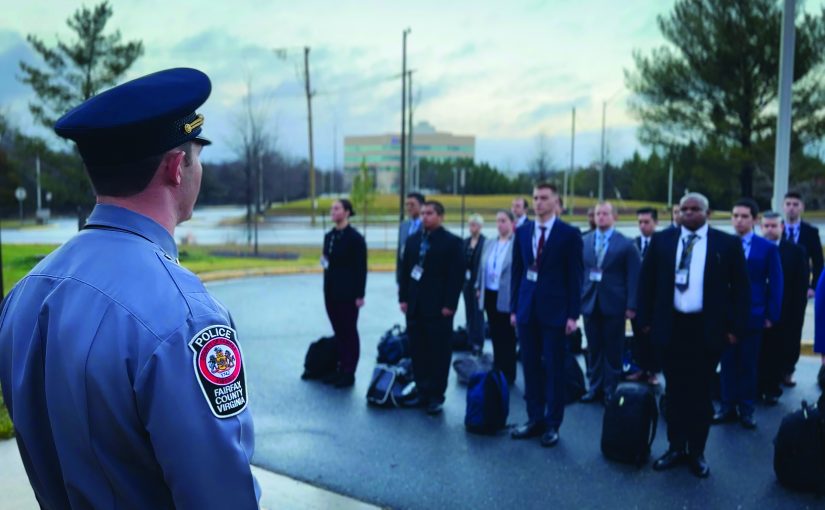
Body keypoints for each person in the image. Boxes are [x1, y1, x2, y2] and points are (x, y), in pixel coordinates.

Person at [0, 68, 260, 507]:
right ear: (178, 168)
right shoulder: (187, 317)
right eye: (197, 155)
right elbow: (221, 497)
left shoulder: (26, 292)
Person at [638, 192, 749, 478]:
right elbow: (646, 283)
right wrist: (645, 322)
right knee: (674, 391)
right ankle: (675, 447)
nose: (688, 213)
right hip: (671, 327)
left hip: (706, 330)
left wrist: (736, 330)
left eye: (694, 209)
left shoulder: (727, 244)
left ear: (707, 213)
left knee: (700, 394)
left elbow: (740, 290)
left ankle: (697, 451)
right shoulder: (662, 241)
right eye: (683, 209)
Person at [510, 183, 583, 448]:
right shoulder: (523, 231)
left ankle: (553, 424)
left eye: (544, 198)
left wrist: (573, 315)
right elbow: (518, 273)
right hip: (527, 310)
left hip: (556, 313)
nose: (538, 202)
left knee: (553, 368)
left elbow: (576, 277)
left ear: (556, 202)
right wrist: (515, 308)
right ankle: (534, 418)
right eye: (535, 198)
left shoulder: (569, 234)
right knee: (529, 367)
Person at [714, 199, 782, 430]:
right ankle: (726, 406)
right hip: (726, 315)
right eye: (735, 216)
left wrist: (771, 314)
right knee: (727, 362)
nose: (738, 220)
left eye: (744, 216)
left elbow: (776, 283)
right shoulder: (722, 244)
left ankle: (747, 408)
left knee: (748, 364)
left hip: (754, 314)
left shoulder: (767, 248)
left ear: (754, 220)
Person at [398, 201, 464, 415]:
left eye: (430, 213)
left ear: (440, 216)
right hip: (415, 306)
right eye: (423, 213)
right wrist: (404, 298)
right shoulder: (413, 240)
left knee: (439, 352)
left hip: (438, 308)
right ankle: (422, 390)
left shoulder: (452, 242)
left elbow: (456, 277)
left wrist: (450, 304)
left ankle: (436, 395)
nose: (425, 217)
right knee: (418, 350)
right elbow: (405, 271)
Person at [580, 202, 641, 404]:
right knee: (594, 348)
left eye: (605, 213)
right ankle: (594, 387)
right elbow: (580, 273)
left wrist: (632, 306)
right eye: (598, 213)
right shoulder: (585, 241)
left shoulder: (626, 244)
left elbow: (634, 277)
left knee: (613, 349)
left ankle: (610, 389)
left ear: (614, 217)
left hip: (615, 304)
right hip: (590, 302)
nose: (601, 217)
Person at [757, 212, 808, 404]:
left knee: (776, 352)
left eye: (774, 226)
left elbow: (800, 285)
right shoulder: (755, 247)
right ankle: (757, 387)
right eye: (766, 226)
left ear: (782, 227)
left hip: (785, 312)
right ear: (761, 227)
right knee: (758, 352)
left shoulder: (795, 252)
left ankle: (771, 389)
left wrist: (796, 315)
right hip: (758, 310)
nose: (770, 230)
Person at [322, 199, 367, 388]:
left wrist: (359, 294)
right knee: (338, 331)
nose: (333, 211)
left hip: (348, 293)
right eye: (332, 209)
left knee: (349, 331)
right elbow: (326, 262)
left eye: (337, 208)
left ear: (347, 212)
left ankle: (350, 371)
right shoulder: (329, 236)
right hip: (331, 291)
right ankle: (340, 367)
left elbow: (361, 268)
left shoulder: (355, 238)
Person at [782, 191, 823, 384]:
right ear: (783, 206)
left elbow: (818, 261)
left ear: (801, 207)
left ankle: (789, 370)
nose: (791, 207)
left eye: (795, 204)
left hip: (799, 290)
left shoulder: (810, 232)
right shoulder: (775, 228)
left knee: (793, 330)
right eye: (788, 203)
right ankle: (771, 371)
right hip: (776, 289)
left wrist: (813, 286)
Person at [476, 210, 517, 384]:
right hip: (489, 293)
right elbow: (481, 265)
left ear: (512, 223)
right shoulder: (490, 242)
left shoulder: (517, 244)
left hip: (507, 294)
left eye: (503, 220)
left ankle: (509, 371)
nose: (500, 224)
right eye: (497, 221)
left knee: (507, 334)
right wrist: (479, 286)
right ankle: (498, 366)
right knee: (494, 332)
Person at [629, 206, 661, 384]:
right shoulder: (632, 243)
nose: (642, 226)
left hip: (655, 299)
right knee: (638, 335)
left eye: (646, 222)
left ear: (655, 222)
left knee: (653, 337)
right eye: (640, 222)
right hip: (637, 298)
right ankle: (640, 368)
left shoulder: (662, 243)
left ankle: (653, 371)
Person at [462, 214, 486, 352]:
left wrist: (480, 285)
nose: (472, 228)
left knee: (478, 313)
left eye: (474, 225)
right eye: (470, 225)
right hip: (466, 282)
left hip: (478, 283)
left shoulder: (485, 243)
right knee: (469, 310)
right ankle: (469, 339)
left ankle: (478, 342)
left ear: (480, 226)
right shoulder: (465, 242)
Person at [397, 192, 425, 284]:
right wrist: (399, 280)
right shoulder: (404, 226)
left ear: (422, 206)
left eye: (412, 204)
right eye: (407, 204)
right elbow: (400, 254)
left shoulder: (426, 226)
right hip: (406, 275)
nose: (409, 207)